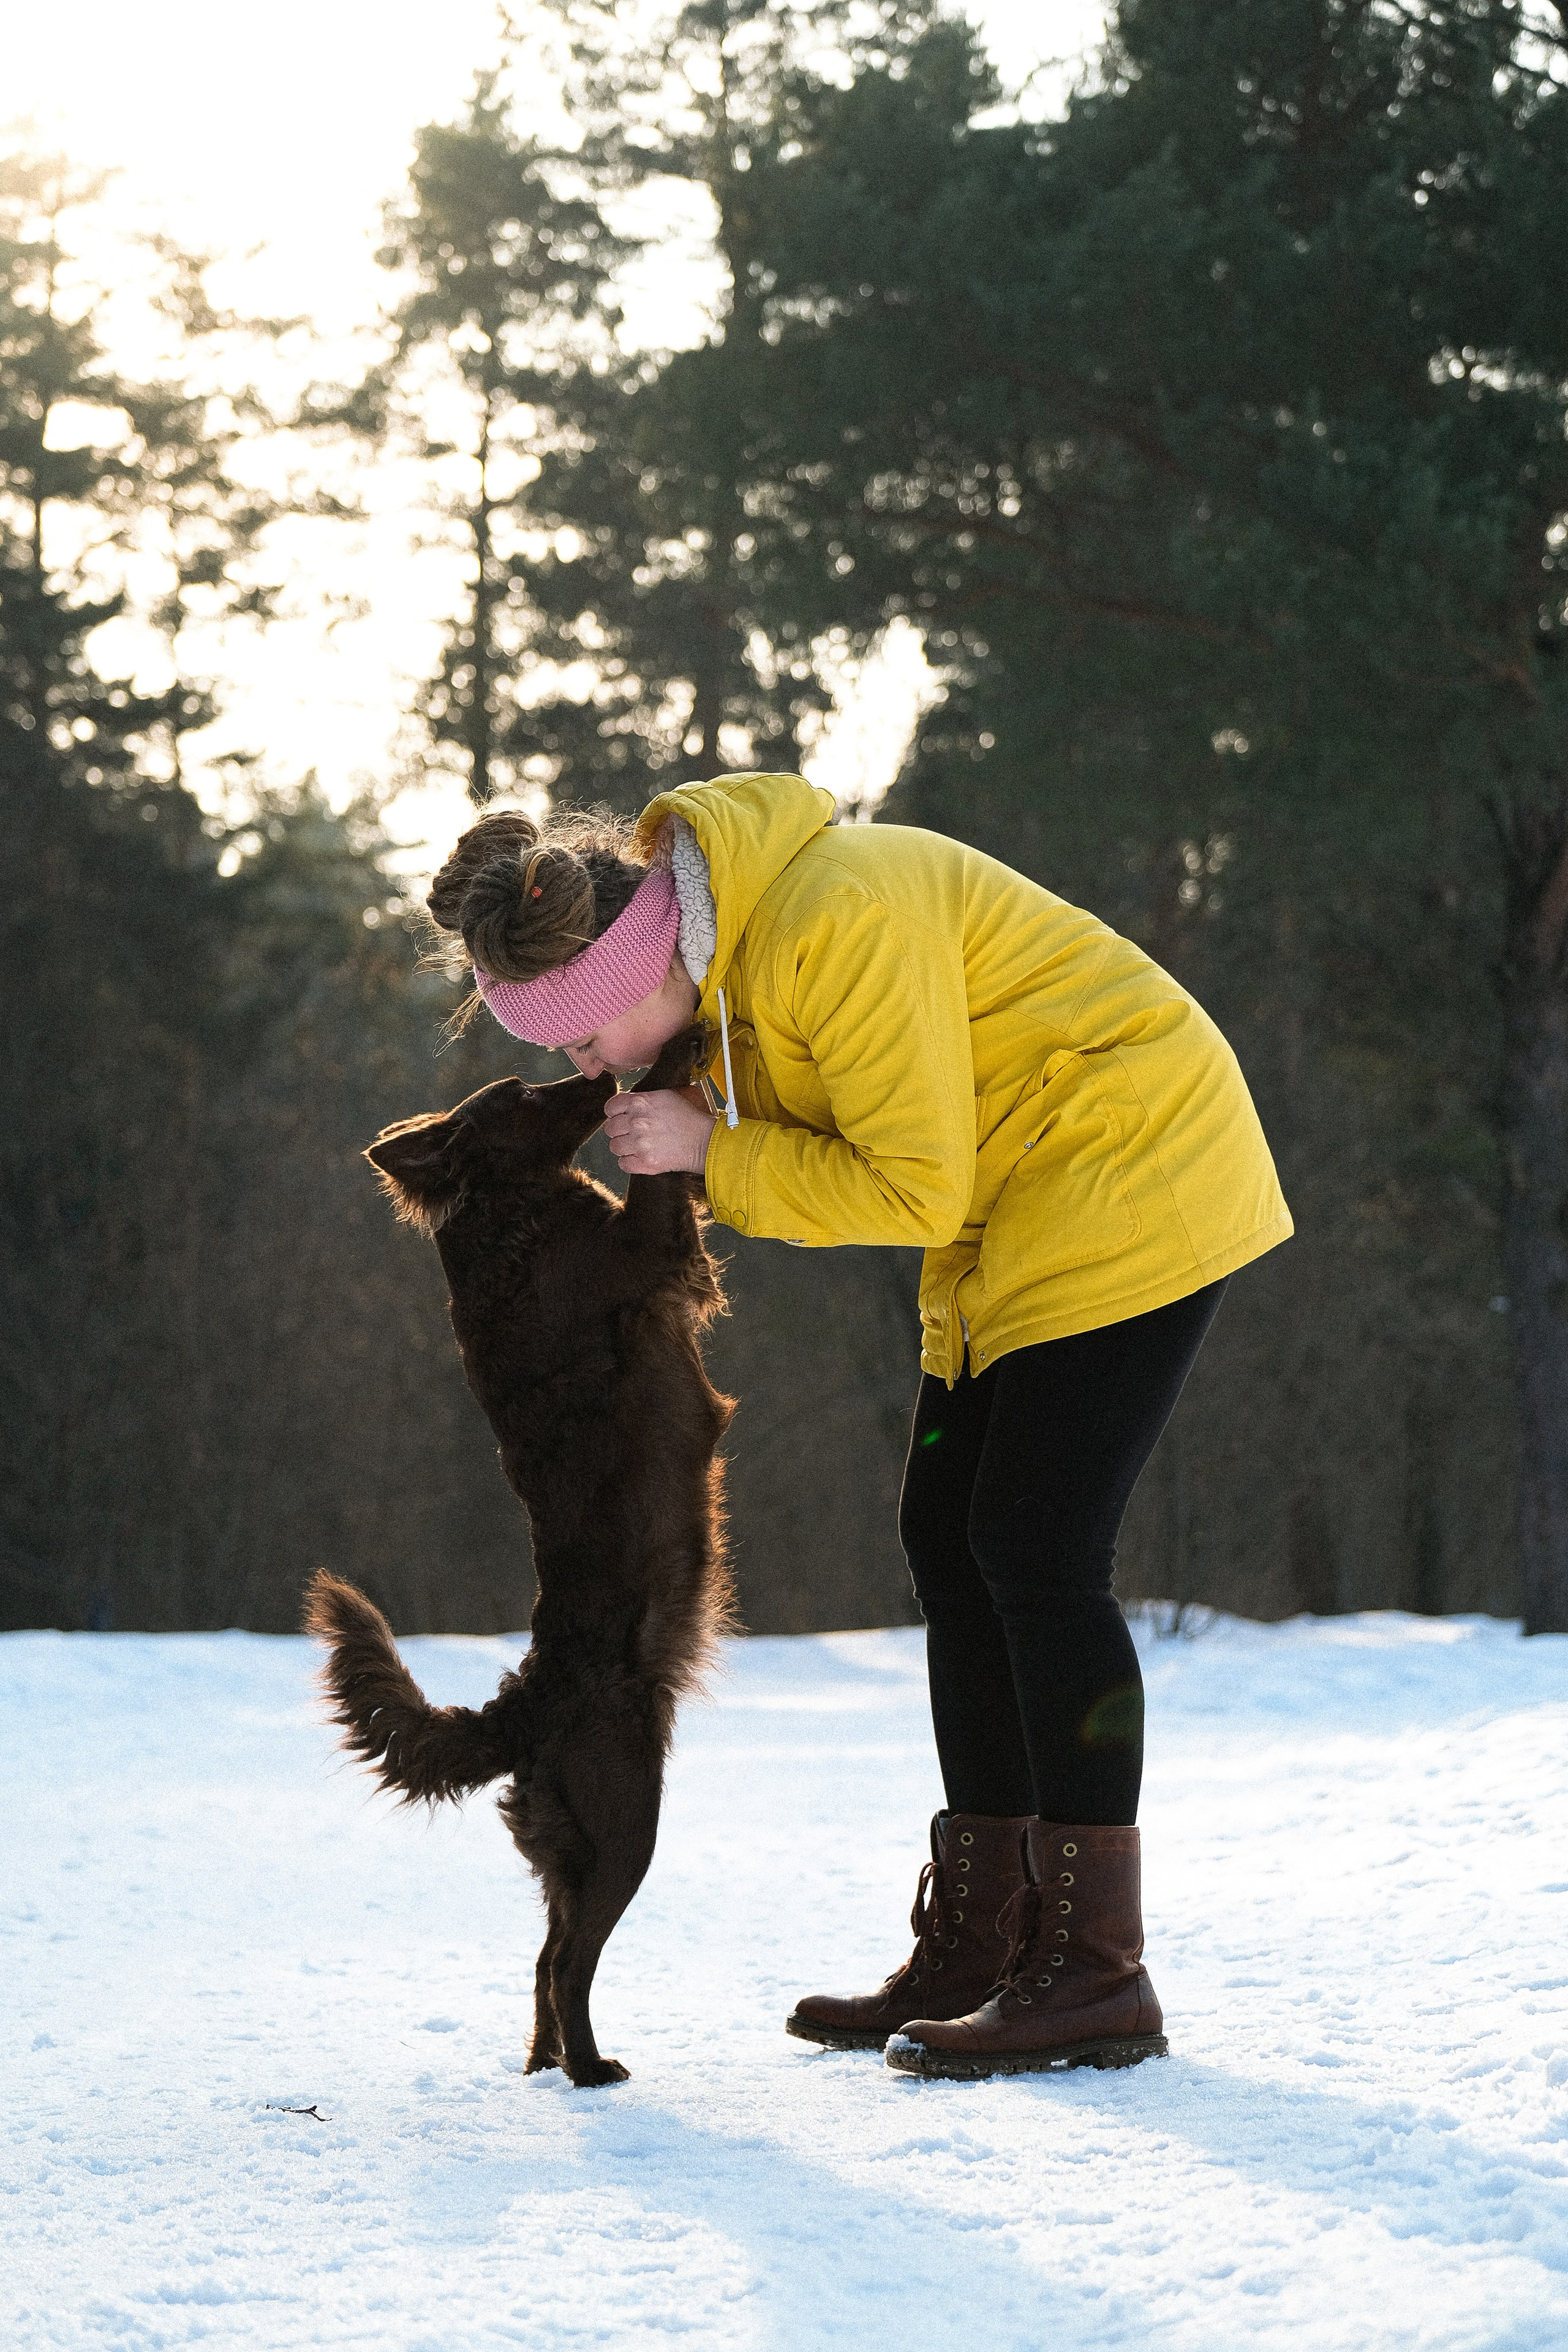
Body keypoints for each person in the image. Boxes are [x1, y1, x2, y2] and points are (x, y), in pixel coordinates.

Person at [426, 770, 1292, 2081]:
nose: (582, 1068)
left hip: (1131, 1165)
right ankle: (984, 1939)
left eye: (581, 1038)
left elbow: (910, 1180)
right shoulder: (720, 984)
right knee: (946, 1535)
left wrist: (711, 1152)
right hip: (1019, 1209)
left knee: (1035, 1548)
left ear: (630, 968)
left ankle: (1093, 1971)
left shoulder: (833, 924)